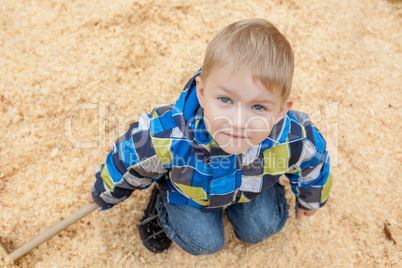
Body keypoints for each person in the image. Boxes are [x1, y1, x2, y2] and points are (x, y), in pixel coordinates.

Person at [87, 18, 333, 255]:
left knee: (262, 228)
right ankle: (161, 197)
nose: (238, 122)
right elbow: (129, 157)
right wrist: (105, 192)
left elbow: (315, 162)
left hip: (249, 187)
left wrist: (310, 199)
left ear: (280, 110)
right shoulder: (170, 134)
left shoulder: (294, 137)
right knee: (204, 243)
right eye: (225, 100)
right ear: (203, 93)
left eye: (258, 107)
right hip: (190, 192)